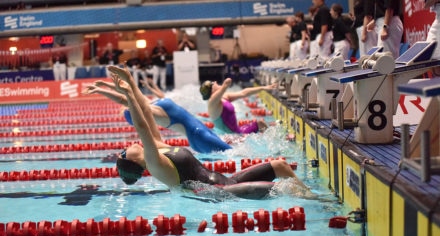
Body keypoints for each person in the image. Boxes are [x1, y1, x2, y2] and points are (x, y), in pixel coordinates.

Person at [104, 65, 306, 199]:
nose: (124, 148)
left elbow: (146, 114)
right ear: (133, 161)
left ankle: (312, 197)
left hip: (225, 180)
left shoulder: (158, 150)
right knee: (282, 189)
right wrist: (129, 94)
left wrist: (130, 83)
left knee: (280, 166)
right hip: (220, 192)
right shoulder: (154, 163)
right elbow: (141, 127)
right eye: (123, 154)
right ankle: (319, 205)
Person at [83, 75, 232, 154]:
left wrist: (106, 85)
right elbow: (126, 97)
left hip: (201, 133)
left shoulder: (153, 106)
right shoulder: (151, 112)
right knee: (236, 156)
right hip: (199, 136)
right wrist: (101, 90)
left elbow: (131, 92)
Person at [199, 78, 275, 134]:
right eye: (213, 83)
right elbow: (218, 93)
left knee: (260, 124)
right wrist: (225, 85)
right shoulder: (212, 104)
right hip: (228, 139)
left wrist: (263, 88)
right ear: (212, 90)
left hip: (238, 133)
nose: (215, 81)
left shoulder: (224, 97)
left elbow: (244, 93)